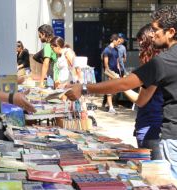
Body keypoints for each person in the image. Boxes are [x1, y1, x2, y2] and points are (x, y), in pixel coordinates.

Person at [65, 5, 177, 178]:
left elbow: (124, 84)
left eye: (156, 30)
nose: (153, 34)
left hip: (171, 137)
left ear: (170, 31)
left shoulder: (163, 61)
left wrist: (84, 88)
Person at [116, 24, 163, 160]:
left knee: (155, 176)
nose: (139, 51)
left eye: (142, 46)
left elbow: (140, 100)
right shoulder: (165, 63)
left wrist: (121, 84)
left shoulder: (154, 66)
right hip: (153, 128)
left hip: (151, 129)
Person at [102, 33, 120, 114]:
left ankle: (109, 105)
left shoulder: (116, 49)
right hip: (109, 72)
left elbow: (117, 61)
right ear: (114, 40)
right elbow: (106, 64)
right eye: (118, 41)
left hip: (115, 72)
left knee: (114, 90)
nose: (118, 43)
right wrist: (109, 74)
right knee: (109, 90)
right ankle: (111, 107)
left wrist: (118, 71)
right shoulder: (107, 50)